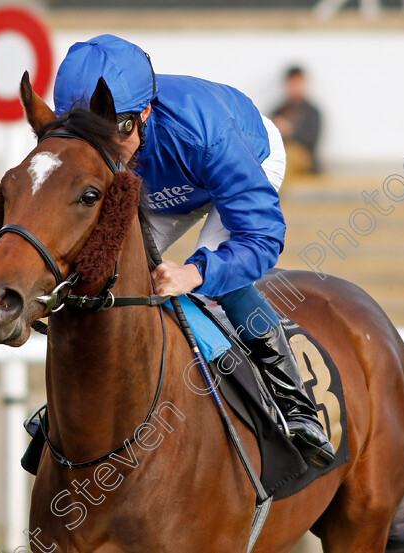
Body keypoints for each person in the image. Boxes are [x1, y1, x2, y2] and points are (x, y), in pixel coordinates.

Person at [52, 34, 335, 468]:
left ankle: (294, 403)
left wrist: (196, 274)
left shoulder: (207, 135)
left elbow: (261, 238)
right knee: (104, 274)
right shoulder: (121, 138)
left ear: (144, 112)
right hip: (163, 179)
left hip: (244, 159)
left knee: (215, 280)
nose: (109, 153)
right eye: (89, 136)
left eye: (118, 131)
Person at [271, 65, 322, 175]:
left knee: (286, 159)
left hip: (303, 158)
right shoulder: (278, 110)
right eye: (292, 83)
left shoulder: (312, 112)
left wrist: (290, 131)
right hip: (280, 155)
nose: (295, 87)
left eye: (297, 83)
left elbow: (312, 140)